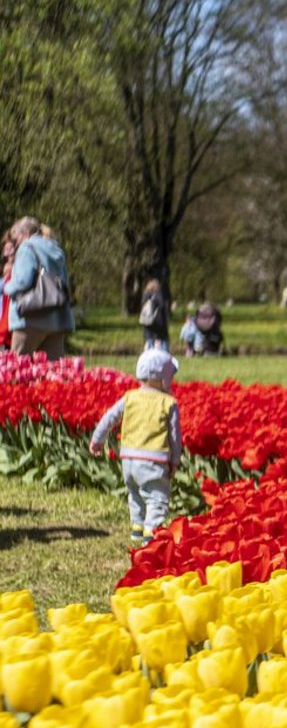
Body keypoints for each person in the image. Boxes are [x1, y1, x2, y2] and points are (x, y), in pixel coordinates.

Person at [90, 350, 182, 549]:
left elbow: (109, 418)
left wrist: (97, 440)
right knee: (156, 498)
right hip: (154, 461)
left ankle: (137, 528)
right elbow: (175, 437)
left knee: (135, 494)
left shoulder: (129, 397)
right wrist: (175, 460)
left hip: (128, 459)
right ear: (163, 377)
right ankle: (151, 535)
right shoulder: (168, 403)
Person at [3, 216, 75, 358]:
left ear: (24, 234)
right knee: (52, 369)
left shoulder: (26, 247)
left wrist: (6, 288)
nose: (15, 245)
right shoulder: (55, 248)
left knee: (18, 367)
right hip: (56, 320)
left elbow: (22, 281)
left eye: (15, 239)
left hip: (29, 318)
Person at [139, 278, 170, 351]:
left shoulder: (145, 296)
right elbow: (163, 307)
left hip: (148, 329)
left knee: (149, 348)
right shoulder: (159, 295)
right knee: (162, 351)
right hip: (159, 331)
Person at [0, 231, 15, 351]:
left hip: (9, 322)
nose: (8, 252)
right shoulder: (6, 273)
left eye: (10, 249)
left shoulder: (16, 271)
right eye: (6, 249)